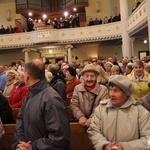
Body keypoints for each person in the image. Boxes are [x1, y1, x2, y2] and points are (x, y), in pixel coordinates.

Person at [12, 59, 70, 150]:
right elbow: (20, 122)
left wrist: (33, 147)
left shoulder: (51, 99)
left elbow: (59, 137)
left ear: (27, 76)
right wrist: (20, 144)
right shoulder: (30, 96)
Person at [87, 75, 150, 150]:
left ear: (126, 94)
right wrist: (104, 145)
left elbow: (148, 140)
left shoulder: (140, 112)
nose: (111, 94)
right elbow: (93, 131)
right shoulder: (101, 109)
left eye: (116, 91)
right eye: (110, 90)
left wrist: (125, 146)